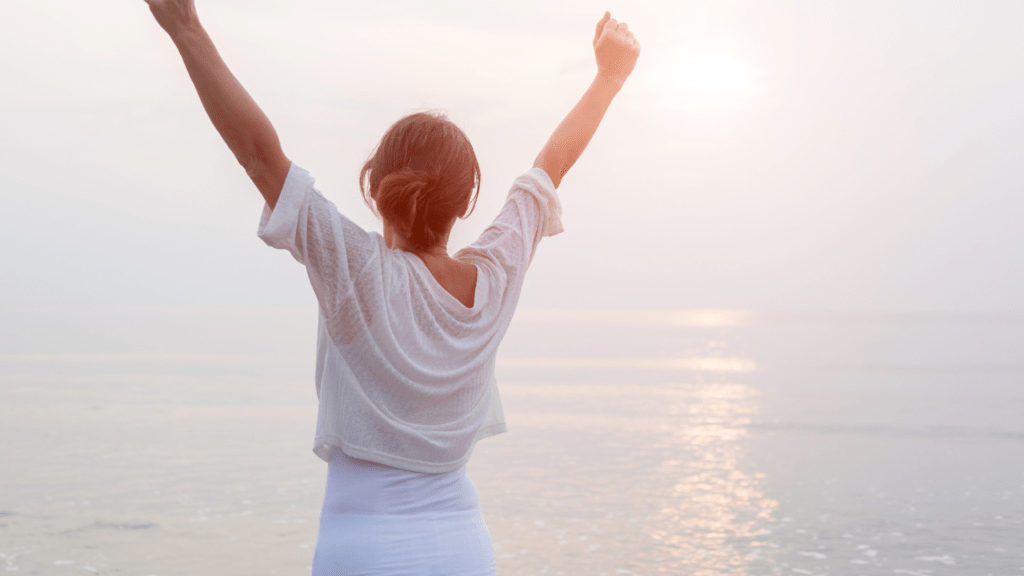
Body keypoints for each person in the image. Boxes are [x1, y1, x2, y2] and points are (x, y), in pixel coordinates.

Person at [144, 1, 640, 574]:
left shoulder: (356, 270)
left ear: (376, 188)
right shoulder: (495, 277)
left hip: (363, 548)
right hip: (463, 546)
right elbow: (551, 166)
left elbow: (259, 155)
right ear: (465, 202)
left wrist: (184, 27)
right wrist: (611, 75)